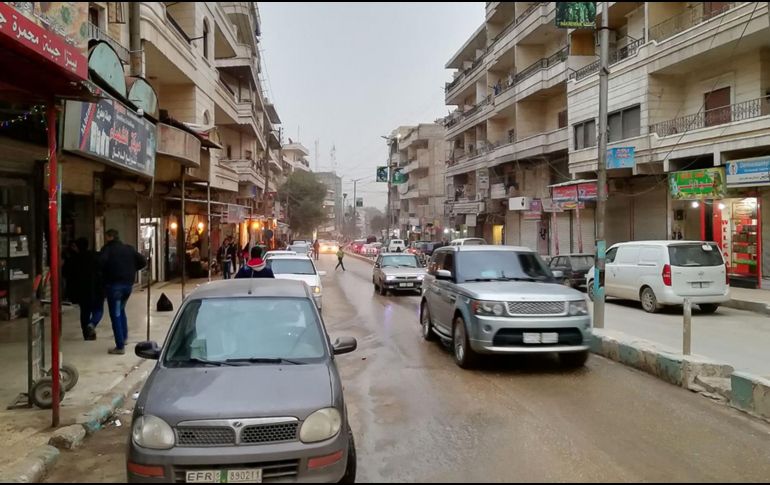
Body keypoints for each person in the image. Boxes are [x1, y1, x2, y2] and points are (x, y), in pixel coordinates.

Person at [100, 229, 147, 355]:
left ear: (110, 237)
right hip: (128, 286)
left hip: (115, 287)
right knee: (120, 311)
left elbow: (100, 264)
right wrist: (131, 270)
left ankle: (120, 346)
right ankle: (124, 337)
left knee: (115, 315)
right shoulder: (128, 249)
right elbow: (143, 261)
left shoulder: (107, 249)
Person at [69, 238, 104, 340]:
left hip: (82, 290)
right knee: (98, 310)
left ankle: (87, 334)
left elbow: (69, 275)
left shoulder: (74, 259)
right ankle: (92, 324)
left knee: (85, 312)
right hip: (97, 288)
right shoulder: (95, 256)